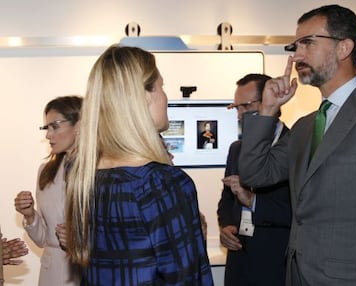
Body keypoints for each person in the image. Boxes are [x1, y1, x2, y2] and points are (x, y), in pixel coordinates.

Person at [238, 4, 356, 286]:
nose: (296, 56)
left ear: (343, 48)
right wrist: (268, 111)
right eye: (295, 46)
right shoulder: (306, 126)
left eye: (307, 43)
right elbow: (255, 174)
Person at [65, 45, 213, 285]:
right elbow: (189, 279)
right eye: (162, 86)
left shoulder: (82, 176)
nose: (166, 97)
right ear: (144, 97)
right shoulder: (162, 183)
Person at [217, 73, 291, 286]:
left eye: (245, 106)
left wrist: (253, 201)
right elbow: (226, 200)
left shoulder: (296, 146)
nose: (239, 115)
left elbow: (300, 213)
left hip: (276, 265)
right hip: (239, 265)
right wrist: (227, 226)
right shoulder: (237, 149)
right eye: (236, 107)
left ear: (271, 100)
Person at [14, 96, 82, 286]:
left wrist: (83, 241)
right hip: (51, 274)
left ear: (79, 125)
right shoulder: (46, 171)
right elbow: (43, 239)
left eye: (55, 126)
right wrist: (29, 216)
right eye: (47, 128)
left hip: (88, 272)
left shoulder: (102, 170)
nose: (48, 135)